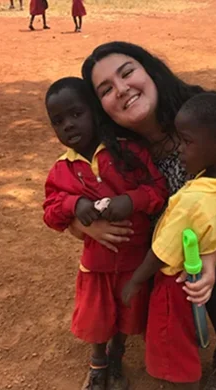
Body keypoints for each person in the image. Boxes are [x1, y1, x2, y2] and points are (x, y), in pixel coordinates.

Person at [70, 41, 216, 390]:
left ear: (150, 70)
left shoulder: (212, 118)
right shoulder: (108, 150)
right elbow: (69, 200)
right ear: (100, 107)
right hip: (163, 242)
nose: (121, 90)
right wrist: (85, 225)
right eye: (105, 90)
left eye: (127, 73)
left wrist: (212, 257)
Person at [122, 92, 216, 389]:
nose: (179, 149)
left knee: (171, 343)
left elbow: (161, 252)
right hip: (198, 271)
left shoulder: (192, 200)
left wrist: (136, 281)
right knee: (187, 332)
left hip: (174, 282)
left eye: (187, 141)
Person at [43, 77, 167, 390]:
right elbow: (50, 212)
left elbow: (158, 189)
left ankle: (116, 357)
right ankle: (97, 362)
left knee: (127, 314)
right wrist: (74, 204)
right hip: (95, 266)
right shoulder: (62, 169)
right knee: (96, 318)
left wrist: (131, 200)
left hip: (133, 262)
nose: (68, 126)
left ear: (96, 112)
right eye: (58, 121)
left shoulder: (129, 152)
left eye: (76, 114)